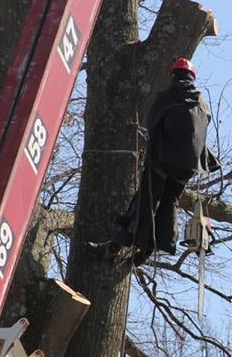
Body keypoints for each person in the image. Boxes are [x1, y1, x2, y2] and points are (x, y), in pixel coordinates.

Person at [88, 57, 219, 266]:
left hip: (163, 159)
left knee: (146, 201)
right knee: (170, 202)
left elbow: (152, 124)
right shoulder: (203, 104)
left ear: (173, 75)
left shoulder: (167, 96)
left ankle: (117, 245)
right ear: (192, 78)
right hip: (189, 166)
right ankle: (152, 247)